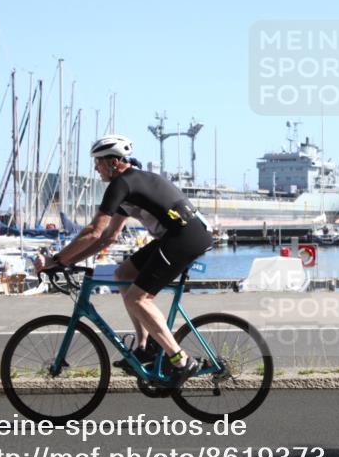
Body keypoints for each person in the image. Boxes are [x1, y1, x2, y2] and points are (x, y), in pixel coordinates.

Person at [35, 135, 213, 389]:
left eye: (98, 162)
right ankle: (144, 348)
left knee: (137, 298)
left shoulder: (122, 184)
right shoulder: (131, 185)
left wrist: (56, 259)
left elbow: (94, 230)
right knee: (124, 273)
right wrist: (69, 261)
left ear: (114, 162)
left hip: (185, 236)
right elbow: (108, 237)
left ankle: (181, 361)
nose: (96, 168)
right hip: (180, 234)